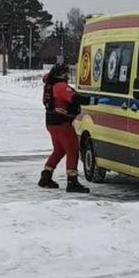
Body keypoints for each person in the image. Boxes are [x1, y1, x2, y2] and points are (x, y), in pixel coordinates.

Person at [40, 63, 89, 193]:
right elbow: (74, 98)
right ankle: (72, 181)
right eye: (66, 73)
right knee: (72, 150)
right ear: (62, 74)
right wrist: (93, 99)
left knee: (59, 150)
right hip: (63, 124)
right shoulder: (61, 87)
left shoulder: (49, 85)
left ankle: (46, 175)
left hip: (51, 122)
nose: (68, 76)